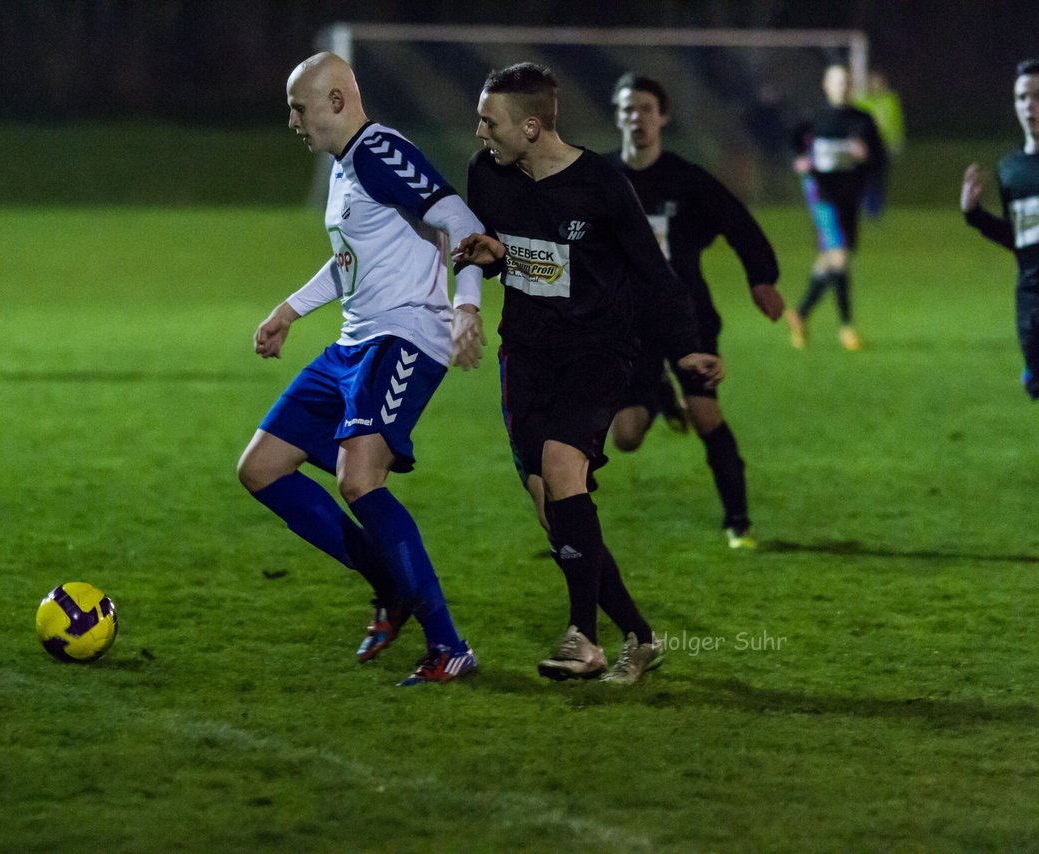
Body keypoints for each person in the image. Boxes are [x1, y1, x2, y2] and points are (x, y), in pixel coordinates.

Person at [455, 63, 723, 685]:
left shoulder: (600, 184)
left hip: (599, 349)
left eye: (488, 120)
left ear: (530, 125)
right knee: (554, 507)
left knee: (561, 466)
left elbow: (657, 275)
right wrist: (492, 258)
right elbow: (498, 249)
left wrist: (685, 350)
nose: (478, 131)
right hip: (524, 352)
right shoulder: (485, 173)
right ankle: (640, 637)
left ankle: (583, 638)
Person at [236, 52, 486, 687]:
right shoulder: (348, 167)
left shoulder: (378, 150)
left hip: (404, 336)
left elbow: (461, 221)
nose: (292, 120)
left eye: (299, 107)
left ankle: (448, 646)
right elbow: (353, 259)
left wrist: (466, 309)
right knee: (261, 468)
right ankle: (390, 584)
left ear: (338, 101)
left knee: (359, 480)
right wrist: (289, 310)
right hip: (354, 344)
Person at [609, 73, 784, 550]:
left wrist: (762, 277)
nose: (636, 118)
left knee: (706, 414)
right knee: (625, 436)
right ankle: (660, 393)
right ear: (617, 116)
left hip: (687, 321)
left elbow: (739, 224)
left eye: (645, 108)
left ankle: (739, 521)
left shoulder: (685, 180)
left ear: (662, 116)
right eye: (627, 109)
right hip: (628, 327)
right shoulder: (601, 179)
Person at [784, 61, 885, 352]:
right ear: (826, 86)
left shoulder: (863, 120)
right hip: (822, 194)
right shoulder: (815, 118)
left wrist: (865, 155)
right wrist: (800, 159)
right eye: (836, 82)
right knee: (839, 258)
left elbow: (879, 157)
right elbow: (793, 141)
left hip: (850, 196)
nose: (841, 87)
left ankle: (800, 314)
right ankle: (847, 328)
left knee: (830, 260)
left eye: (846, 82)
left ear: (851, 86)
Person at [961, 59, 1039, 401]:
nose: (1029, 106)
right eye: (1022, 97)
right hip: (1031, 298)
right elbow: (1019, 239)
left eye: (1037, 96)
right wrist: (974, 215)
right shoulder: (1010, 171)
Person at [852, 67, 906, 218]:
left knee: (879, 179)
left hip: (883, 145)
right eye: (875, 82)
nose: (878, 85)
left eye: (880, 82)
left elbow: (897, 121)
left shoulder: (890, 99)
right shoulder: (862, 99)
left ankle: (875, 211)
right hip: (864, 146)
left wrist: (897, 142)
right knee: (862, 178)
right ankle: (862, 208)